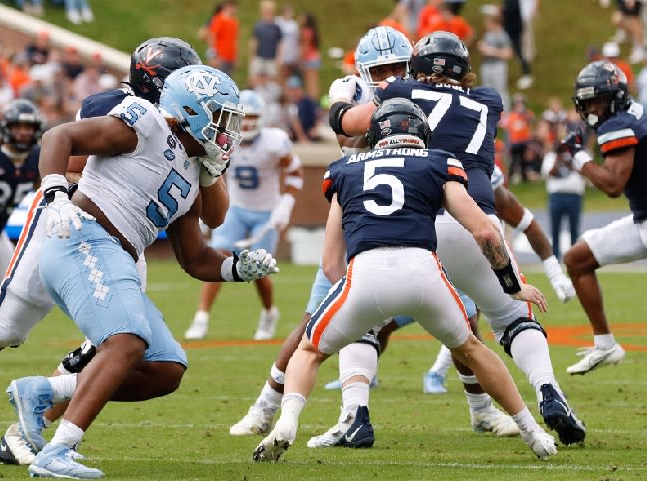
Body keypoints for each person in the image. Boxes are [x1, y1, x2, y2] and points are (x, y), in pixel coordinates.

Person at [6, 64, 279, 479]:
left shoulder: (191, 174)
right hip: (82, 239)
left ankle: (43, 392)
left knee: (166, 368)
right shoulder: (145, 123)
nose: (229, 130)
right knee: (126, 341)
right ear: (194, 111)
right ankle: (57, 450)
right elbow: (59, 136)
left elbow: (193, 256)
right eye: (222, 117)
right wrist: (57, 192)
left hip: (119, 256)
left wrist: (234, 268)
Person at [252, 97, 557, 463]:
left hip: (366, 271)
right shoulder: (439, 161)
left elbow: (330, 260)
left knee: (309, 350)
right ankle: (532, 431)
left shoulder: (345, 169)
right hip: (424, 271)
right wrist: (512, 285)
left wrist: (354, 303)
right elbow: (485, 231)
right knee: (473, 350)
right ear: (421, 132)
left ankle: (287, 421)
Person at [326, 30, 587, 448]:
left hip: (415, 223)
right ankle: (547, 390)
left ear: (416, 68)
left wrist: (338, 102)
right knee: (513, 317)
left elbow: (347, 127)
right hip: (474, 218)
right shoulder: (488, 101)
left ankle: (356, 414)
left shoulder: (402, 89)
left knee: (367, 321)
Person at [0, 37, 219, 467]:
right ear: (155, 82)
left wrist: (209, 160)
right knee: (2, 331)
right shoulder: (124, 107)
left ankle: (27, 430)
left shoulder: (184, 133)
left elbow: (213, 215)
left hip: (127, 242)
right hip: (70, 220)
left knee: (113, 345)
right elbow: (76, 157)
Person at [228, 25, 413, 440]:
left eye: (398, 67)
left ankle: (483, 408)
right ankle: (265, 406)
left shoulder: (423, 94)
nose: (390, 75)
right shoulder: (353, 91)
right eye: (381, 69)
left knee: (465, 315)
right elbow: (346, 131)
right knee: (313, 322)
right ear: (364, 71)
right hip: (360, 218)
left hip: (412, 219)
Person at [422, 163, 577, 393]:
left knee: (465, 326)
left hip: (441, 259)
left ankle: (453, 387)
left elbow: (526, 223)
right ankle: (541, 384)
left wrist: (555, 273)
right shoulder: (428, 165)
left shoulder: (475, 173)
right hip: (432, 260)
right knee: (482, 325)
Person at [184, 89, 303, 341]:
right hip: (235, 209)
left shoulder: (275, 141)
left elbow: (295, 172)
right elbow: (213, 175)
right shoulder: (222, 140)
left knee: (259, 270)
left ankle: (270, 313)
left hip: (266, 212)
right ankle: (201, 318)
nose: (248, 122)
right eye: (244, 116)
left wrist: (286, 205)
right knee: (218, 256)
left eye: (253, 116)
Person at [562, 59, 645, 375]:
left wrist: (579, 157)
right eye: (587, 102)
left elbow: (612, 185)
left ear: (613, 97)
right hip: (642, 220)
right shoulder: (632, 111)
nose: (591, 108)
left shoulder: (618, 124)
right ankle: (605, 344)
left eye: (596, 100)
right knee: (577, 259)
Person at [0, 99, 43, 301]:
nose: (24, 132)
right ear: (6, 128)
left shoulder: (36, 158)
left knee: (11, 295)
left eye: (29, 127)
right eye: (18, 127)